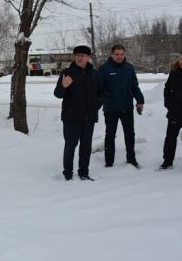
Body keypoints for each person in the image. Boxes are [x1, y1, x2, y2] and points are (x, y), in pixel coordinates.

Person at [54, 45, 104, 181]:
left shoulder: (95, 74)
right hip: (71, 118)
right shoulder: (67, 73)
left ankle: (83, 172)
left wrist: (96, 105)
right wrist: (63, 86)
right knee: (70, 146)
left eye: (83, 55)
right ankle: (68, 173)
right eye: (77, 55)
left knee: (86, 147)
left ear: (89, 57)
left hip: (89, 117)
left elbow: (102, 93)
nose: (80, 57)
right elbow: (58, 94)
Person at [98, 45, 145, 168]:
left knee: (130, 134)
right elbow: (99, 89)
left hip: (127, 106)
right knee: (110, 135)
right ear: (112, 54)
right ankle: (109, 162)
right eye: (117, 54)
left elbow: (134, 86)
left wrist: (140, 101)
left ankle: (131, 158)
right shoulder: (103, 69)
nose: (119, 57)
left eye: (121, 54)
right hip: (111, 108)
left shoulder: (129, 68)